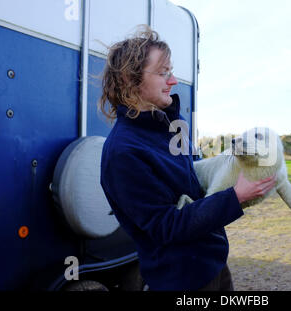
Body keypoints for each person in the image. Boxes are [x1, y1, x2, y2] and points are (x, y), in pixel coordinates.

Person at [99, 25, 276, 291]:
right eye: (162, 73)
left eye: (170, 72)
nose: (173, 81)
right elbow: (166, 226)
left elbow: (193, 181)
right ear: (129, 79)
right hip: (180, 279)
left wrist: (231, 165)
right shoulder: (123, 153)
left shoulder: (173, 123)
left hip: (213, 263)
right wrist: (235, 197)